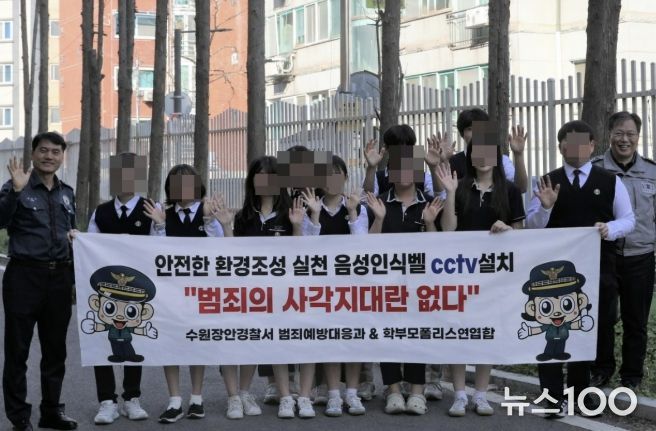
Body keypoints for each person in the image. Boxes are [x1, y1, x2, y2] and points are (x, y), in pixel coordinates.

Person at [526, 120, 635, 417]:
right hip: (553, 274)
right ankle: (552, 397)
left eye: (581, 142)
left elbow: (628, 219)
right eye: (568, 142)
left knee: (588, 331)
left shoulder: (610, 181)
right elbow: (531, 227)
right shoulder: (546, 181)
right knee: (551, 332)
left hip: (599, 269)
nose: (574, 148)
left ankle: (579, 394)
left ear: (592, 145)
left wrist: (610, 228)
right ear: (561, 147)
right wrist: (546, 207)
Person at [437, 141, 525, 417]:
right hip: (460, 271)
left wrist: (507, 228)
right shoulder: (460, 186)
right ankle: (459, 394)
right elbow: (448, 229)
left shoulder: (509, 190)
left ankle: (481, 394)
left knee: (487, 331)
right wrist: (450, 193)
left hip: (494, 275)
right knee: (458, 330)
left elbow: (521, 232)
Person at [0, 132, 78, 431]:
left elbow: (71, 236)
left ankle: (51, 411)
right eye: (43, 150)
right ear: (33, 154)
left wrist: (73, 279)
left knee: (55, 350)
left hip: (59, 278)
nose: (49, 156)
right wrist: (16, 192)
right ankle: (19, 416)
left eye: (55, 151)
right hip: (24, 277)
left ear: (62, 156)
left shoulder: (66, 193)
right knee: (17, 350)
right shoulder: (16, 185)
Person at [366, 125, 444, 416]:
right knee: (388, 333)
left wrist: (430, 222)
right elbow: (367, 249)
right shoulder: (378, 204)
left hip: (420, 283)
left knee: (416, 333)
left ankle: (417, 391)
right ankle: (393, 390)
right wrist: (378, 219)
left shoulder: (430, 204)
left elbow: (439, 249)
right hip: (386, 283)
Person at [86, 153, 166, 425]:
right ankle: (106, 401)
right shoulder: (100, 212)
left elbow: (162, 247)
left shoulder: (151, 208)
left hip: (139, 290)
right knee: (102, 341)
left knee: (133, 342)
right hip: (105, 290)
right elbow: (90, 247)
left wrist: (160, 223)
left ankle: (132, 398)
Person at [228, 156, 309, 419]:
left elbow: (301, 257)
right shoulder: (243, 217)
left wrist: (297, 227)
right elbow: (233, 257)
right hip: (250, 294)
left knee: (284, 342)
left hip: (284, 294)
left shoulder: (291, 213)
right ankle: (241, 394)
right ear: (252, 181)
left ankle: (289, 395)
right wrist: (226, 226)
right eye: (260, 175)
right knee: (247, 340)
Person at [158, 164, 231, 423]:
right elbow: (153, 252)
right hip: (169, 292)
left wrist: (210, 220)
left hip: (201, 291)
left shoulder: (208, 212)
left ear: (198, 186)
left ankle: (196, 398)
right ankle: (174, 399)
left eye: (188, 182)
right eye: (177, 182)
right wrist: (159, 225)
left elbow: (222, 250)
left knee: (196, 340)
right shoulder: (163, 214)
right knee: (170, 343)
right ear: (170, 188)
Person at [590, 111, 656, 391]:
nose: (624, 139)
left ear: (638, 137)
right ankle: (601, 370)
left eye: (630, 134)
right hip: (605, 256)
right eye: (619, 133)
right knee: (603, 318)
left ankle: (632, 375)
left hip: (641, 256)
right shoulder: (595, 170)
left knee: (636, 321)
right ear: (610, 135)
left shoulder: (652, 172)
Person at [301, 155, 368, 417]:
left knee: (352, 339)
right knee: (329, 339)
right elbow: (305, 249)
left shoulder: (358, 207)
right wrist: (315, 216)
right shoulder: (309, 208)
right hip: (321, 288)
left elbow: (362, 247)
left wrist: (352, 212)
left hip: (352, 286)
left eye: (337, 174)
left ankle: (351, 392)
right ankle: (333, 394)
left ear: (345, 178)